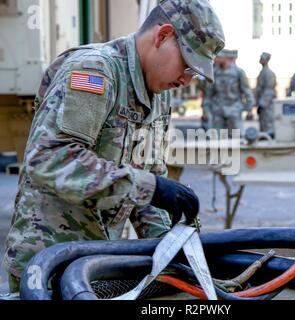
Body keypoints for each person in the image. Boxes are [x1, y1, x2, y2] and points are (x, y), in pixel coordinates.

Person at [2, 0, 225, 292]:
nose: (186, 79)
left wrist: (172, 248)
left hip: (97, 264)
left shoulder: (159, 97)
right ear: (162, 36)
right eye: (186, 63)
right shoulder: (94, 71)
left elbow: (149, 189)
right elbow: (49, 158)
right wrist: (150, 187)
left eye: (194, 73)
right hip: (47, 264)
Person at [209, 49, 255, 137]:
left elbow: (247, 91)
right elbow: (209, 93)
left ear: (226, 58)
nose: (216, 59)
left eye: (218, 57)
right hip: (218, 110)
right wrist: (207, 108)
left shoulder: (238, 72)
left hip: (234, 110)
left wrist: (248, 109)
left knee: (236, 139)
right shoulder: (214, 73)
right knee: (217, 139)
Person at [255, 52, 277, 138]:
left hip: (267, 105)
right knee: (263, 124)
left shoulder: (268, 73)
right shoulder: (262, 72)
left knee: (268, 125)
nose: (260, 60)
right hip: (263, 104)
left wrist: (262, 104)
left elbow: (269, 90)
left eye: (262, 58)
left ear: (266, 60)